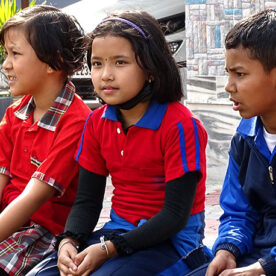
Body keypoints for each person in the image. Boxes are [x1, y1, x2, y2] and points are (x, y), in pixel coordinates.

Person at [27, 10, 212, 276]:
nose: (105, 75)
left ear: (151, 68)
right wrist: (69, 240)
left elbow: (175, 215)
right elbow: (88, 202)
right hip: (117, 234)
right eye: (98, 63)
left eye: (120, 63)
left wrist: (109, 250)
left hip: (174, 244)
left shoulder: (181, 126)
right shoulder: (96, 122)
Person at [0, 5, 91, 276]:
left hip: (42, 233)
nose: (6, 64)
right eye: (7, 53)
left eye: (15, 54)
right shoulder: (15, 113)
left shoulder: (76, 122)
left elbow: (33, 198)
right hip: (9, 222)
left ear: (54, 62)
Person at [187, 9, 276, 276]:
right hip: (256, 254)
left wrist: (263, 269)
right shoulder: (245, 138)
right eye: (228, 74)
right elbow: (238, 211)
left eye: (240, 74)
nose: (228, 86)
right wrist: (228, 249)